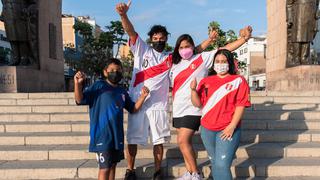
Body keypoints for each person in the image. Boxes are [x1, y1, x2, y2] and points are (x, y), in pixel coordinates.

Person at [115, 1, 214, 179]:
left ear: (166, 39)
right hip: (138, 103)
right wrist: (123, 15)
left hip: (159, 105)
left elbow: (195, 50)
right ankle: (130, 170)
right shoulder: (141, 49)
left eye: (162, 38)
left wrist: (209, 40)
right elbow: (130, 31)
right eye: (155, 38)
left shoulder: (171, 58)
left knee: (158, 141)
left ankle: (158, 171)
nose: (159, 41)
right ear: (150, 39)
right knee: (133, 140)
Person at [170, 27, 252, 180]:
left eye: (187, 46)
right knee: (185, 144)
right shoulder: (174, 64)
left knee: (183, 140)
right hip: (179, 109)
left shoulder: (202, 58)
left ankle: (195, 174)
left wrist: (243, 40)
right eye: (181, 47)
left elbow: (224, 50)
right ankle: (190, 172)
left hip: (194, 110)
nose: (184, 50)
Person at [74, 58, 149, 180]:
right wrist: (77, 84)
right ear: (105, 72)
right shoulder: (99, 86)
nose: (115, 72)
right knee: (104, 168)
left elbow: (133, 108)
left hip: (116, 136)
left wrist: (142, 97)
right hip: (102, 136)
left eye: (118, 70)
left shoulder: (122, 91)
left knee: (113, 166)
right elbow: (79, 99)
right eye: (112, 70)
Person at [190, 49, 251, 180]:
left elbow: (241, 105)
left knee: (222, 165)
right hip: (207, 128)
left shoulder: (238, 80)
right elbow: (197, 104)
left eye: (223, 61)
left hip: (227, 129)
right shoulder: (206, 81)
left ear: (229, 63)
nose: (220, 64)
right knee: (215, 164)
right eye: (217, 61)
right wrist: (193, 90)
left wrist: (232, 126)